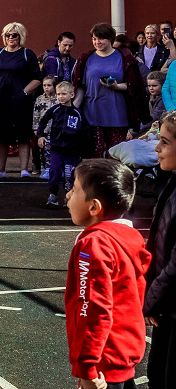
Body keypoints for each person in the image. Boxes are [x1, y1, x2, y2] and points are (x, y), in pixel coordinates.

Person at [64, 159, 150, 389]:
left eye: (74, 190)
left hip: (103, 362)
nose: (67, 196)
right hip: (122, 354)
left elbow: (92, 308)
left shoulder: (95, 245)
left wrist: (87, 367)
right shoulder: (129, 237)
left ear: (94, 207)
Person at [74, 23, 149, 159]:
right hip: (92, 114)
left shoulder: (125, 58)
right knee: (94, 155)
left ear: (110, 39)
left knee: (115, 156)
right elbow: (80, 87)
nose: (97, 42)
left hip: (117, 114)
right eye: (94, 39)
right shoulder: (86, 58)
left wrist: (116, 86)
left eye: (101, 38)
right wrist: (72, 109)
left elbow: (134, 86)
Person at [0, 22, 42, 178]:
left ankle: (24, 169)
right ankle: (0, 170)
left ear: (20, 36)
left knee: (22, 134)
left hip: (20, 101)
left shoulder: (27, 54)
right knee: (2, 134)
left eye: (14, 35)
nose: (11, 38)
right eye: (7, 35)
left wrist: (23, 93)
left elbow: (37, 78)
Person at [146, 113, 176, 388]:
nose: (157, 148)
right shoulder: (171, 183)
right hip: (167, 306)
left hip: (172, 303)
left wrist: (152, 299)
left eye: (165, 142)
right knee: (157, 373)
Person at [38, 82, 88, 208]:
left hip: (72, 152)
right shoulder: (54, 110)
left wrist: (83, 152)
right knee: (54, 171)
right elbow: (42, 122)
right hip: (56, 149)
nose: (61, 97)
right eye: (59, 94)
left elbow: (85, 132)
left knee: (69, 175)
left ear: (72, 95)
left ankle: (69, 197)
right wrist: (41, 135)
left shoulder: (78, 114)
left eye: (64, 94)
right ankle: (53, 195)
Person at [33, 76, 59, 179]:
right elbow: (36, 114)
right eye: (44, 85)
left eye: (49, 85)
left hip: (56, 131)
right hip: (43, 130)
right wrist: (35, 128)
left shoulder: (58, 99)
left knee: (53, 150)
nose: (46, 88)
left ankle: (53, 168)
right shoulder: (40, 99)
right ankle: (44, 169)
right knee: (43, 151)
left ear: (55, 86)